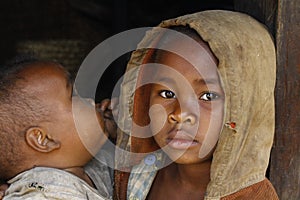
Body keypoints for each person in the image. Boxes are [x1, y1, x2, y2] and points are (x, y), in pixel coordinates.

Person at [114, 10, 279, 199]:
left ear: (247, 108)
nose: (180, 114)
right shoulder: (139, 173)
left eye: (208, 96)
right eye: (167, 93)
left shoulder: (253, 196)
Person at [0, 56, 115, 199]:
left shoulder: (93, 165)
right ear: (44, 139)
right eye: (73, 96)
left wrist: (116, 128)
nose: (90, 101)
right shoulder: (40, 191)